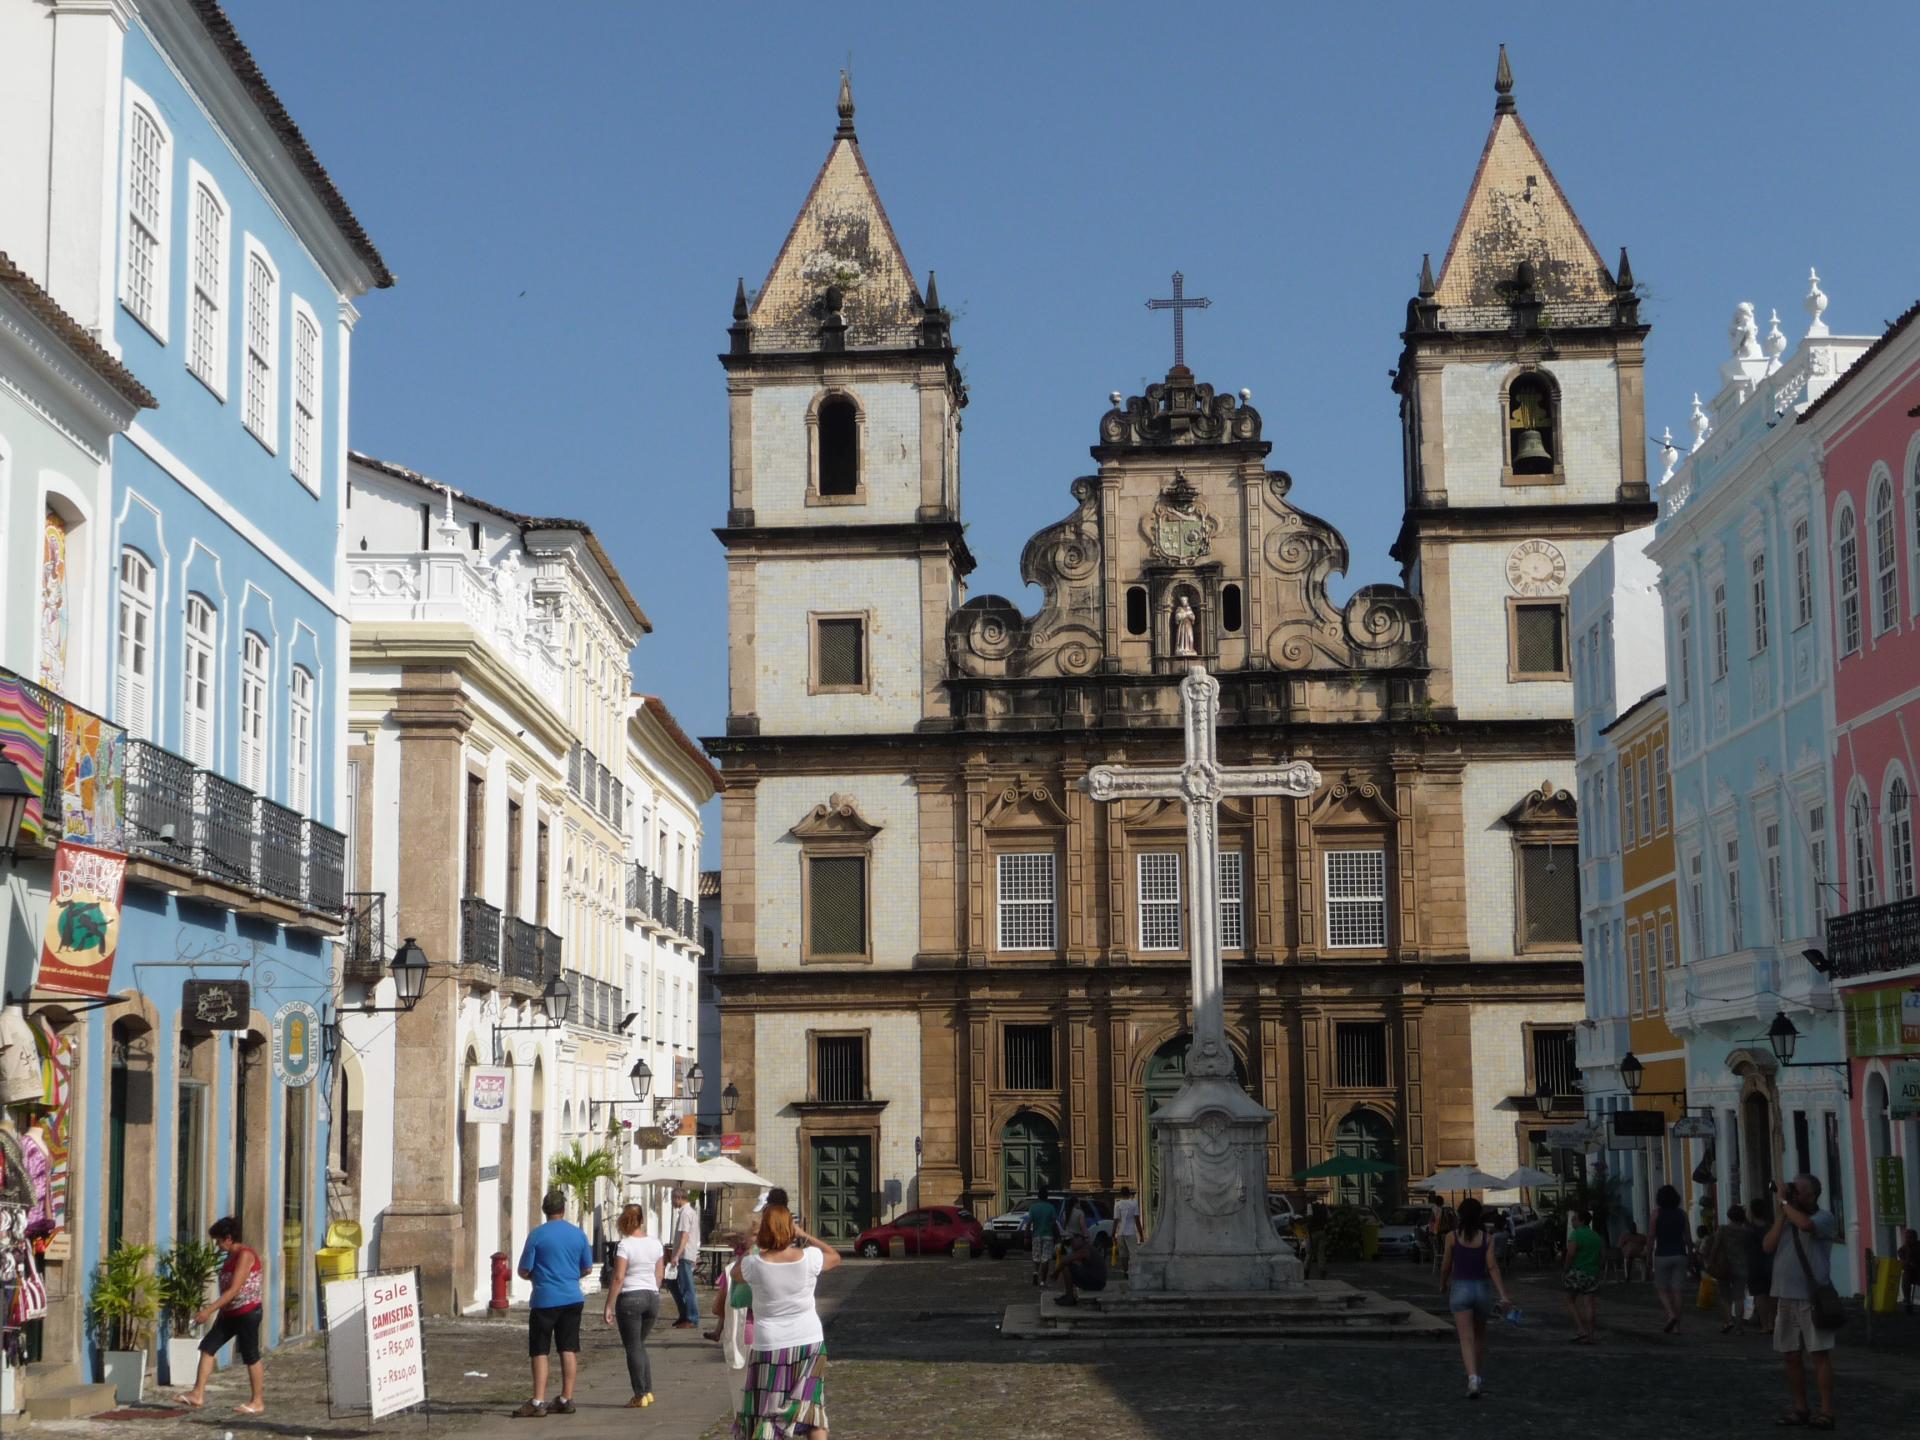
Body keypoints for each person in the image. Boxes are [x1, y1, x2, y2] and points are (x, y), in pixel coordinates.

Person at [731, 1200, 842, 1439]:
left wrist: (755, 1245)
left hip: (770, 1344)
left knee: (766, 1411)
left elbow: (735, 1274)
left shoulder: (754, 1264)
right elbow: (834, 1256)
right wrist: (806, 1236)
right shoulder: (810, 1257)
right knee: (812, 1409)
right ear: (790, 1228)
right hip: (809, 1341)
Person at [1764, 1173, 1839, 1430]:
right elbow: (1768, 1246)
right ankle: (1800, 1408)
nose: (1794, 1193)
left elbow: (1807, 1227)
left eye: (1799, 1190)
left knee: (1819, 1354)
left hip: (1811, 1298)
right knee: (1791, 1356)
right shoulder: (1787, 1218)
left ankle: (1826, 1411)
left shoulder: (1823, 1218)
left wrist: (1785, 1204)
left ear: (1812, 1195)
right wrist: (1782, 1213)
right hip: (1785, 1295)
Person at [513, 1188, 594, 1418]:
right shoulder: (578, 1234)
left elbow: (524, 1269)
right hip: (572, 1297)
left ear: (545, 1210)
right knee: (568, 1348)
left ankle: (538, 1401)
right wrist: (570, 1276)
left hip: (545, 1299)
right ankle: (566, 1398)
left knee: (540, 1350)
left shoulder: (537, 1235)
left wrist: (535, 1276)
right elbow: (587, 1267)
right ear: (563, 1209)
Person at [173, 1216, 265, 1415]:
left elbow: (233, 1289)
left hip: (247, 1312)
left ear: (229, 1238)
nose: (217, 1245)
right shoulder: (230, 1258)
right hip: (229, 1313)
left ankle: (257, 1401)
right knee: (208, 1347)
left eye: (218, 1241)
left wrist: (209, 1310)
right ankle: (197, 1394)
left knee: (250, 1355)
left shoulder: (245, 1255)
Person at [1439, 1197, 1511, 1400]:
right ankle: (1477, 1377)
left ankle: (1472, 1379)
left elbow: (1446, 1265)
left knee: (1466, 1339)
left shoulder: (1452, 1237)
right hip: (1482, 1289)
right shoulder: (1487, 1238)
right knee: (1479, 1338)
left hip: (1460, 1288)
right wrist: (1503, 1294)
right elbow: (1492, 1267)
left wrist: (1443, 1284)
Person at [601, 1203, 666, 1408]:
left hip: (630, 1297)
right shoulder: (655, 1244)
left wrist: (609, 1305)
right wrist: (652, 1290)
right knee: (640, 1344)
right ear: (642, 1220)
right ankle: (648, 1391)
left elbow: (619, 1277)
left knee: (633, 1347)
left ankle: (639, 1394)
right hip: (652, 1297)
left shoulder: (625, 1245)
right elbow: (660, 1274)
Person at [1650, 1184, 1691, 1334]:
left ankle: (1671, 1313)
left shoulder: (1656, 1214)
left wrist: (1648, 1253)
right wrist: (1691, 1254)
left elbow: (1651, 1236)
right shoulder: (1682, 1214)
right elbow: (1688, 1237)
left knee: (1661, 1288)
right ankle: (1677, 1326)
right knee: (1678, 1291)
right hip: (1680, 1254)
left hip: (1662, 1255)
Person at [1705, 1204, 1752, 1333]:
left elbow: (1715, 1246)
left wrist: (1710, 1262)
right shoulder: (1746, 1232)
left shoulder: (1723, 1229)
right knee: (1739, 1297)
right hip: (1742, 1266)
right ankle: (1739, 1327)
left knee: (1725, 1296)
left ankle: (1728, 1321)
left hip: (1724, 1266)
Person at [1561, 1206, 1602, 1343]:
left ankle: (1580, 1328)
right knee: (1589, 1303)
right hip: (1592, 1272)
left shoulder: (1576, 1235)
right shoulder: (1596, 1236)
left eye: (1574, 1220)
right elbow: (1602, 1255)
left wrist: (1565, 1269)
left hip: (1578, 1271)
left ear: (1582, 1221)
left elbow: (1570, 1254)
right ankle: (1591, 1335)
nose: (1572, 1222)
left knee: (1569, 1300)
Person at [669, 1187, 703, 1330]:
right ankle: (684, 1314)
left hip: (684, 1255)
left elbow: (685, 1236)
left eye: (672, 1199)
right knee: (672, 1284)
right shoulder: (689, 1212)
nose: (672, 1202)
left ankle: (692, 1318)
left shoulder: (685, 1213)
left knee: (688, 1288)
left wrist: (677, 1254)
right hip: (686, 1254)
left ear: (678, 1198)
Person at [1057, 1221, 1108, 1306]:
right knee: (1070, 1267)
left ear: (1081, 1239)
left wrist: (1055, 1273)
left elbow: (1064, 1261)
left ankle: (1069, 1297)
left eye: (1073, 1241)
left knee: (1066, 1267)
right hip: (1098, 1281)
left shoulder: (1085, 1250)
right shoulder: (1085, 1248)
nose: (1072, 1244)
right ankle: (1068, 1295)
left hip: (1097, 1283)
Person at [1748, 1196, 1778, 1334]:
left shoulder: (1748, 1229)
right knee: (1772, 1294)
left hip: (1754, 1264)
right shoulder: (1771, 1227)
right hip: (1771, 1263)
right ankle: (1772, 1323)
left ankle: (1765, 1324)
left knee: (1759, 1295)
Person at [1025, 1186, 1060, 1288]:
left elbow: (1029, 1223)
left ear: (1038, 1196)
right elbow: (1054, 1223)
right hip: (1048, 1236)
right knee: (1045, 1259)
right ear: (1047, 1196)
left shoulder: (1033, 1208)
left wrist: (1026, 1237)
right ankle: (1042, 1281)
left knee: (1036, 1256)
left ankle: (1035, 1272)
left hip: (1036, 1235)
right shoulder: (1051, 1208)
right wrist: (1058, 1237)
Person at [1112, 1185, 1144, 1275]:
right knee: (1133, 1253)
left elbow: (1116, 1220)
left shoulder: (1117, 1204)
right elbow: (1137, 1220)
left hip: (1120, 1232)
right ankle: (1133, 1270)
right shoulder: (1134, 1203)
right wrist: (1141, 1234)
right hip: (1131, 1232)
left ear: (1121, 1194)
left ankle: (1126, 1271)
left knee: (1123, 1254)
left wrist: (1113, 1233)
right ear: (1129, 1194)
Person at [1616, 1216, 1649, 1281]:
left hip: (1639, 1253)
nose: (1633, 1229)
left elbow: (1648, 1243)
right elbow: (1619, 1246)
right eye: (1632, 1228)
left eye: (1634, 1227)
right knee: (1629, 1259)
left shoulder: (1641, 1236)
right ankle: (1628, 1277)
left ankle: (1646, 1276)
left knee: (1646, 1258)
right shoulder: (1625, 1236)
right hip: (1629, 1254)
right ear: (1629, 1228)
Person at [1306, 1201, 1331, 1279]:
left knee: (1309, 1253)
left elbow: (1309, 1217)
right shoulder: (1324, 1206)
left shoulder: (1310, 1206)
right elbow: (1329, 1217)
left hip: (1313, 1233)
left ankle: (1306, 1271)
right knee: (1321, 1253)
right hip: (1322, 1232)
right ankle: (1322, 1271)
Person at [1898, 1227, 1920, 1316]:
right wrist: (1908, 1253)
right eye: (1906, 1238)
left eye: (1910, 1238)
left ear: (1915, 1238)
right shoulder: (1902, 1250)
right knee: (1905, 1276)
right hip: (1913, 1274)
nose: (1908, 1240)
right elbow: (1905, 1265)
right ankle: (1907, 1301)